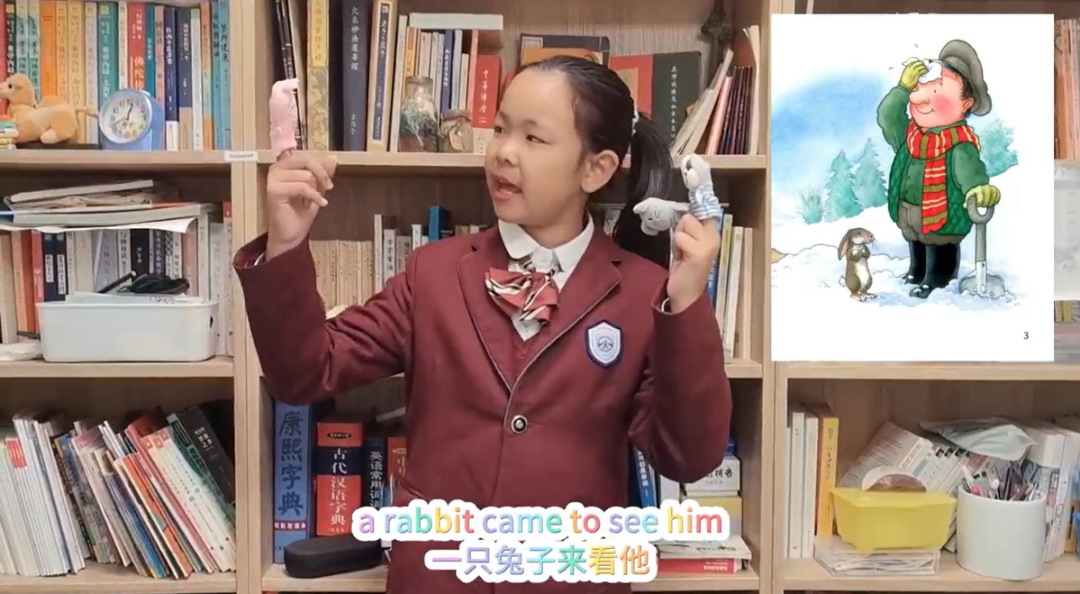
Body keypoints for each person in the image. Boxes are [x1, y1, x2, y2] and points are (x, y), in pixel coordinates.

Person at [234, 55, 733, 593]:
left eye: (533, 138)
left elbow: (687, 456)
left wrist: (686, 304)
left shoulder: (643, 292)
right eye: (499, 129)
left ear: (597, 169)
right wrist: (286, 243)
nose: (503, 153)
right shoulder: (433, 272)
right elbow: (306, 372)